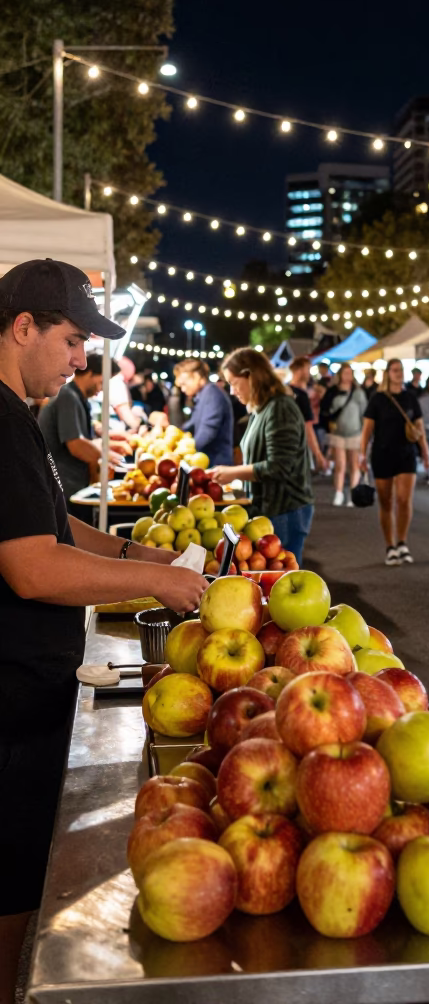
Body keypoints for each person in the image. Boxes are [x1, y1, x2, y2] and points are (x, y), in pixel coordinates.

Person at [0, 259, 208, 1004]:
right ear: (23, 327)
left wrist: (145, 553)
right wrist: (156, 581)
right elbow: (32, 568)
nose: (82, 359)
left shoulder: (16, 415)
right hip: (10, 714)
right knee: (13, 905)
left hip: (28, 701)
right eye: (72, 339)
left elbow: (58, 532)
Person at [210, 348, 314, 564]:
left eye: (234, 382)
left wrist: (233, 473)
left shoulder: (280, 408)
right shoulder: (263, 408)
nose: (231, 391)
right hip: (271, 510)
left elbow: (279, 467)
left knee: (279, 579)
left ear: (251, 376)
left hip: (285, 510)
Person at [360, 357, 429, 565]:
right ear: (387, 374)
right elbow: (367, 430)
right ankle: (389, 545)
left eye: (400, 369)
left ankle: (402, 542)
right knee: (386, 501)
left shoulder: (410, 398)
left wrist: (425, 452)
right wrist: (362, 455)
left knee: (403, 499)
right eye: (394, 370)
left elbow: (420, 427)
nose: (399, 373)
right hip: (382, 454)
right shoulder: (378, 399)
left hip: (407, 454)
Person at [38, 354, 124, 507]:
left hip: (69, 486)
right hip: (63, 487)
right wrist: (109, 457)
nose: (102, 388)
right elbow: (77, 445)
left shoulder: (77, 398)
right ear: (90, 373)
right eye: (101, 382)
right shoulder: (67, 397)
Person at [320, 362, 367, 505]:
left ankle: (352, 494)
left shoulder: (358, 392)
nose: (348, 376)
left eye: (350, 373)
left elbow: (364, 413)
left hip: (355, 432)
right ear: (339, 375)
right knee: (340, 464)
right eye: (345, 373)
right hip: (337, 433)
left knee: (354, 465)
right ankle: (339, 493)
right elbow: (325, 409)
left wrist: (365, 434)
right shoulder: (332, 391)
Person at [174, 357, 234, 465]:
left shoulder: (212, 394)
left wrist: (181, 453)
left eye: (184, 384)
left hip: (216, 464)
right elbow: (190, 425)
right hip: (207, 462)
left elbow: (207, 431)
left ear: (196, 377)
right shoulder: (204, 395)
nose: (182, 389)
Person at [287, 355, 328, 472]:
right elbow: (307, 426)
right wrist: (318, 454)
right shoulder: (301, 395)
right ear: (299, 370)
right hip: (299, 444)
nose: (309, 372)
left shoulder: (287, 391)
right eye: (307, 368)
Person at [108, 355, 143, 432]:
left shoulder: (112, 381)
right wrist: (137, 426)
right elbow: (123, 411)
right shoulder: (117, 382)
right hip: (113, 430)